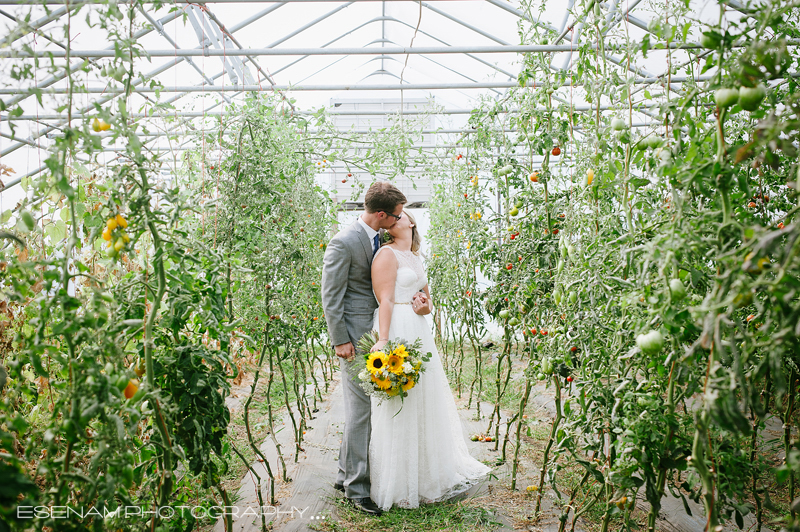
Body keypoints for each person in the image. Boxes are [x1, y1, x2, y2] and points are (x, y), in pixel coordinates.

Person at [368, 210, 491, 511]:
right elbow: (384, 298)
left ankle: (427, 478)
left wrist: (424, 308)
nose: (395, 218)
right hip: (396, 325)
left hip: (418, 327)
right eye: (392, 216)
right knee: (401, 400)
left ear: (411, 222)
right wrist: (383, 341)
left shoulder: (415, 256)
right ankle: (399, 483)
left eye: (401, 215)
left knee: (425, 397)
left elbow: (427, 301)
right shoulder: (386, 254)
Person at [320, 181, 407, 517]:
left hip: (373, 332)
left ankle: (344, 477)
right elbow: (331, 296)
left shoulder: (378, 239)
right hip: (354, 338)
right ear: (382, 214)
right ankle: (357, 490)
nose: (399, 220)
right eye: (396, 215)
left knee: (361, 410)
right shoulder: (343, 242)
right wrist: (340, 339)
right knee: (361, 413)